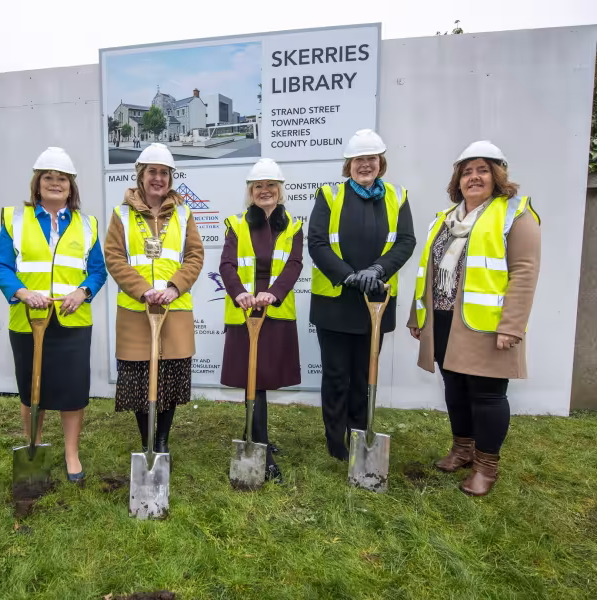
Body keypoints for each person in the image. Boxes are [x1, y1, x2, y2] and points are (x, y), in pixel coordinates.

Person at [407, 141, 540, 496]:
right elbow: (428, 272)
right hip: (445, 321)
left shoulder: (515, 214)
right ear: (458, 179)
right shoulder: (446, 219)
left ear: (497, 176)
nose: (474, 177)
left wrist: (512, 326)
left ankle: (486, 466)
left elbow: (525, 273)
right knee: (455, 389)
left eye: (482, 170)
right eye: (467, 171)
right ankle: (462, 449)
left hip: (486, 324)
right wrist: (417, 315)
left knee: (487, 396)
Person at [0, 147, 107, 482]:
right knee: (32, 390)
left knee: (72, 391)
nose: (55, 184)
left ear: (71, 187)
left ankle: (71, 453)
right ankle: (35, 444)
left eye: (62, 179)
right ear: (37, 185)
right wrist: (22, 293)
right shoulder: (15, 219)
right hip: (28, 321)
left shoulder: (87, 225)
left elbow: (98, 271)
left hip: (72, 321)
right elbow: (0, 265)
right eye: (48, 178)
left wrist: (81, 293)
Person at [308, 129, 416, 461]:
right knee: (337, 373)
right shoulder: (329, 195)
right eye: (358, 160)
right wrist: (348, 276)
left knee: (364, 373)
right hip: (336, 303)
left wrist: (378, 270)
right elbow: (317, 242)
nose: (365, 165)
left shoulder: (398, 196)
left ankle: (359, 433)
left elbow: (406, 241)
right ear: (349, 165)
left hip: (377, 302)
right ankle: (335, 439)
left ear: (380, 162)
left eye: (371, 159)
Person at [104, 143, 204, 455]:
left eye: (163, 172)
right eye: (152, 172)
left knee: (170, 381)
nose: (158, 178)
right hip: (137, 311)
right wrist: (143, 289)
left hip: (174, 311)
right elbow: (114, 257)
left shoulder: (184, 213)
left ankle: (161, 441)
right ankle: (146, 441)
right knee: (138, 380)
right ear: (140, 175)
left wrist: (175, 287)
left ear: (171, 177)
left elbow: (195, 256)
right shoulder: (121, 214)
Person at [219, 159, 303, 483]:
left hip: (275, 312)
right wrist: (239, 293)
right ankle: (261, 448)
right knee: (253, 379)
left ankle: (256, 434)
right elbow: (227, 265)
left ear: (279, 190)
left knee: (264, 379)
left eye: (270, 185)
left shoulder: (292, 225)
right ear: (251, 192)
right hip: (245, 312)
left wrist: (273, 292)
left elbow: (294, 265)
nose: (265, 191)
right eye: (258, 186)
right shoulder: (236, 224)